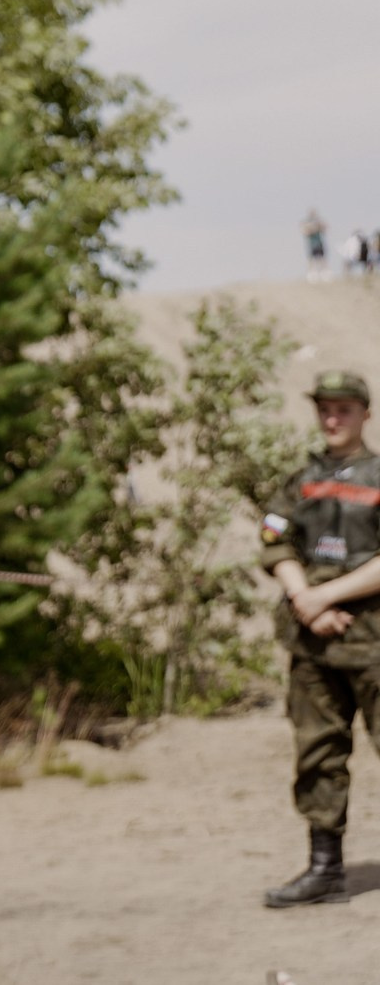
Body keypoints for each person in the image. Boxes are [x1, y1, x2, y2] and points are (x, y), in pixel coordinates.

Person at [261, 368, 380, 908]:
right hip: (314, 644)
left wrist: (323, 598)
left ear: (364, 413)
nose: (332, 419)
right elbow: (274, 543)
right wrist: (306, 603)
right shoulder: (299, 480)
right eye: (325, 409)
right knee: (317, 756)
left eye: (344, 409)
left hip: (373, 642)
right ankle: (325, 869)